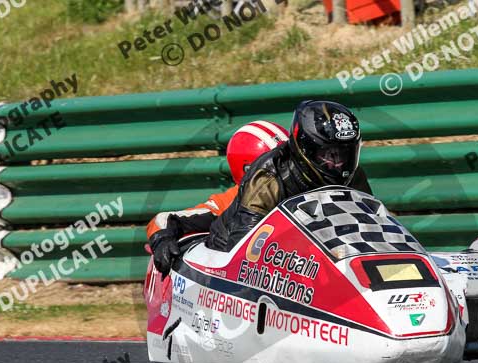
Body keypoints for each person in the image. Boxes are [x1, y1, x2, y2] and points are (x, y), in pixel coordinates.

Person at [207, 100, 371, 252]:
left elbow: (371, 223)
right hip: (231, 253)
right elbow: (244, 249)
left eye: (345, 154)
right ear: (306, 149)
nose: (337, 164)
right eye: (329, 155)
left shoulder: (352, 174)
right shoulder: (269, 177)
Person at [147, 120, 289, 277]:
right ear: (252, 169)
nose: (288, 167)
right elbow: (166, 219)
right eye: (280, 163)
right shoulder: (231, 200)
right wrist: (162, 239)